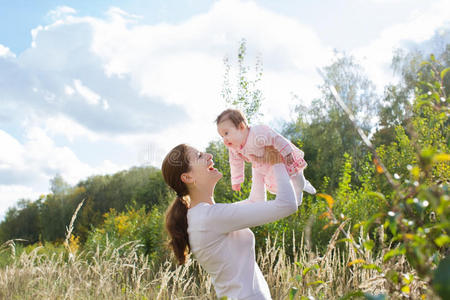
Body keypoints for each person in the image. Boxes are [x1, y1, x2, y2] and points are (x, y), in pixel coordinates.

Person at [162, 143, 301, 299]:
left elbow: (255, 202)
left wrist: (257, 162)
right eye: (200, 156)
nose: (209, 156)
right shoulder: (209, 217)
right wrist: (277, 162)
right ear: (188, 177)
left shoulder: (204, 216)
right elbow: (287, 205)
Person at [215, 108, 316, 206]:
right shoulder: (233, 148)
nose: (224, 139)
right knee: (277, 184)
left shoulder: (257, 133)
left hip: (281, 159)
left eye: (226, 133)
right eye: (222, 136)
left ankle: (300, 191)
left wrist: (287, 152)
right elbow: (235, 163)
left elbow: (276, 138)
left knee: (297, 179)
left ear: (241, 127)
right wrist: (237, 180)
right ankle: (259, 202)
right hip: (262, 166)